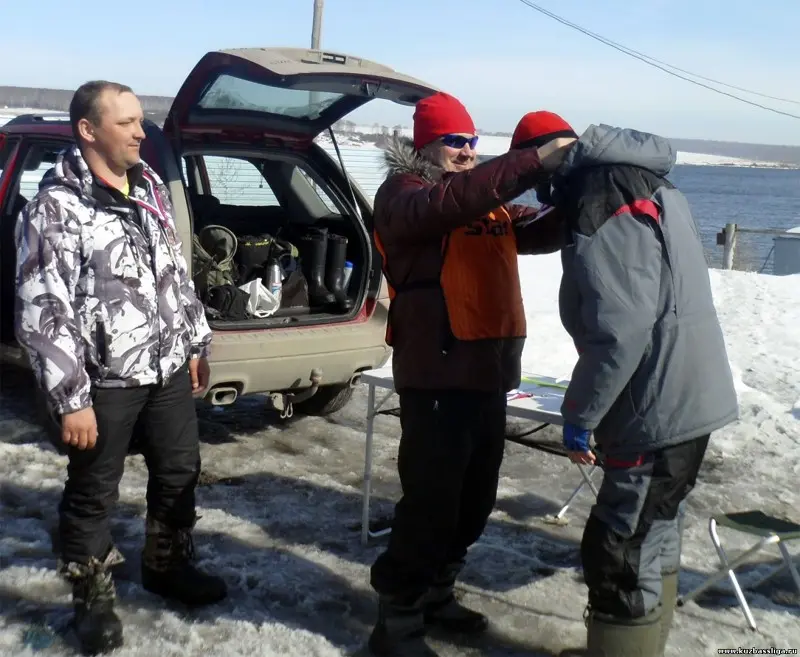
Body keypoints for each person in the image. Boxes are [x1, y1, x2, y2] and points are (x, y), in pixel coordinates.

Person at [509, 111, 739, 656]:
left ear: (541, 158)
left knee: (618, 548)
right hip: (691, 395)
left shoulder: (600, 199)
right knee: (658, 528)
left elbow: (622, 330)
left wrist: (580, 415)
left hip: (653, 407)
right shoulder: (657, 185)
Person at [14, 81, 227, 655]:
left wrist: (194, 343)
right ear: (88, 130)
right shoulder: (55, 208)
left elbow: (173, 276)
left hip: (165, 369)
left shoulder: (148, 187)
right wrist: (70, 398)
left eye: (141, 121)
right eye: (128, 123)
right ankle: (92, 597)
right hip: (102, 381)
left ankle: (167, 565)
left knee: (180, 470)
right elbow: (43, 308)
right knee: (92, 492)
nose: (141, 132)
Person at [367, 92, 566, 655]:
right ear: (426, 145)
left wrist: (585, 194)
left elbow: (541, 229)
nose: (466, 150)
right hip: (436, 374)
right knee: (430, 504)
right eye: (455, 141)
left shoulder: (486, 203)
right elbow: (450, 204)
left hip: (488, 373)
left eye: (473, 141)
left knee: (475, 500)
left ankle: (437, 591)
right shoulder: (405, 196)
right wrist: (532, 160)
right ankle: (397, 618)